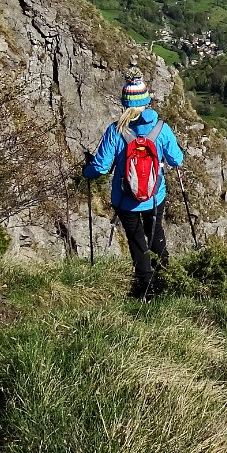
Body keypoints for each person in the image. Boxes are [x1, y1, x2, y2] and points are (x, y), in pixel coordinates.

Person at [83, 70, 184, 298]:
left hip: (125, 199)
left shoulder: (116, 131)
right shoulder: (161, 129)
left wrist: (86, 172)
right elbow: (176, 159)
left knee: (137, 240)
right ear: (146, 100)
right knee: (155, 233)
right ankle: (166, 282)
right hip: (155, 196)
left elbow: (100, 167)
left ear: (124, 103)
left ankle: (146, 289)